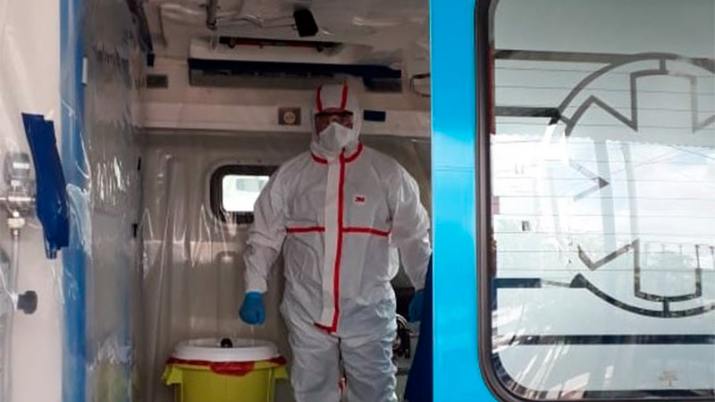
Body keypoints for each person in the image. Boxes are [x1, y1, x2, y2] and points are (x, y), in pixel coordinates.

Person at [239, 82, 431, 402]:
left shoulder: (387, 174)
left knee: (374, 393)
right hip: (307, 309)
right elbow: (264, 238)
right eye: (324, 119)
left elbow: (414, 235)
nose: (333, 126)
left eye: (342, 118)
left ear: (357, 118)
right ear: (312, 121)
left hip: (368, 310)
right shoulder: (291, 176)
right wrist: (254, 289)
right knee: (312, 392)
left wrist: (425, 285)